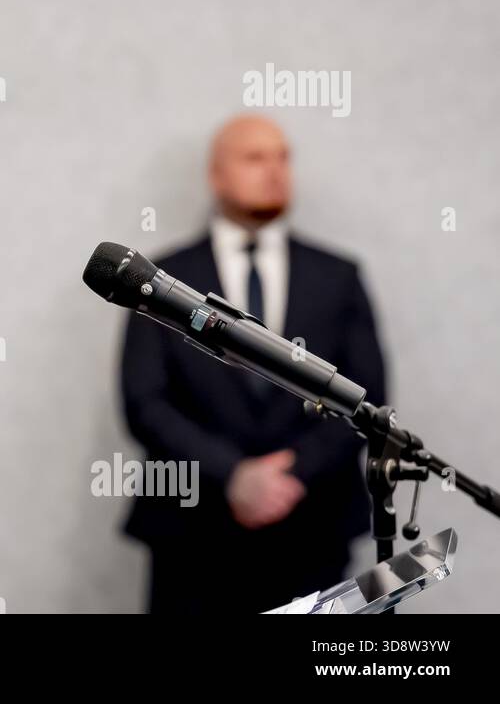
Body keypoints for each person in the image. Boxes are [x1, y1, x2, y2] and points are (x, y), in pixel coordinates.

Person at [119, 113, 386, 614]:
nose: (274, 170)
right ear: (216, 174)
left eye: (283, 157)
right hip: (192, 531)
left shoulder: (338, 276)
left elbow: (366, 394)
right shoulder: (162, 281)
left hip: (312, 526)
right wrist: (233, 474)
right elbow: (145, 403)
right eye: (254, 157)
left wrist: (295, 472)